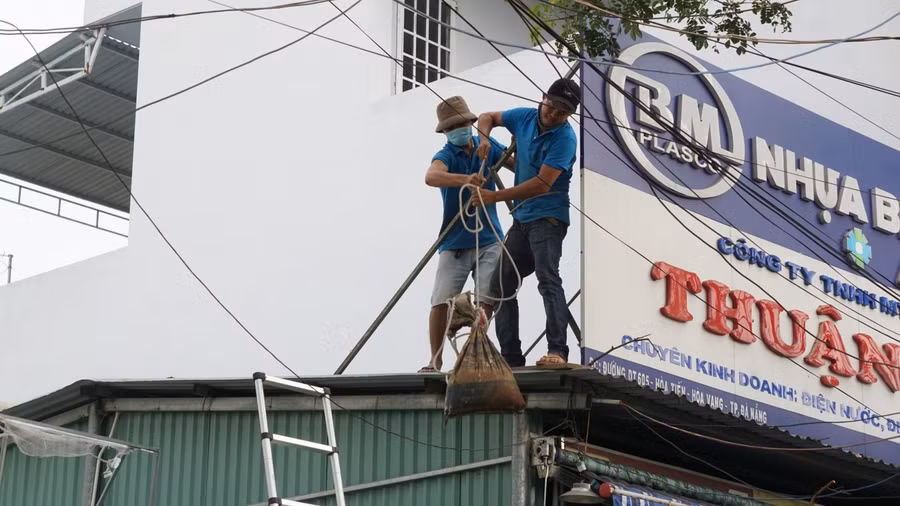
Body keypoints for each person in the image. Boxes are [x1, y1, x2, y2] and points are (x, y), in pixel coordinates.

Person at [470, 78, 580, 368]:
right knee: (503, 285)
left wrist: (494, 197)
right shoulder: (524, 117)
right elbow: (487, 117)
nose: (554, 114)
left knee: (548, 279)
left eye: (563, 112)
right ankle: (511, 358)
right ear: (543, 98)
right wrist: (484, 139)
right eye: (552, 106)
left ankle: (557, 350)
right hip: (521, 220)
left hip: (548, 219)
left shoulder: (565, 139)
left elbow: (542, 184)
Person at [421, 95, 512, 373]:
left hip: (489, 238)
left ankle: (475, 352)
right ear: (445, 132)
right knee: (441, 300)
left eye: (460, 124)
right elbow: (431, 177)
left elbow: (516, 163)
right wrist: (465, 180)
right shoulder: (446, 155)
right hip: (455, 241)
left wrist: (520, 148)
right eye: (450, 128)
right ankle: (435, 360)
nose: (456, 130)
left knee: (487, 298)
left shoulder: (486, 147)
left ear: (470, 123)